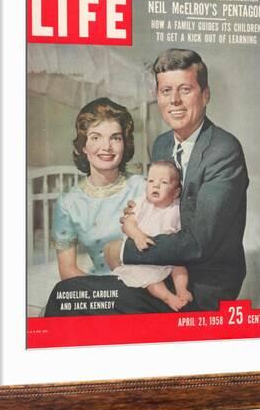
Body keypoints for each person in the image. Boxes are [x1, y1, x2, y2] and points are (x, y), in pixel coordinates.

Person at [45, 48, 249, 315]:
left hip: (200, 288)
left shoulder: (223, 150)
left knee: (66, 298)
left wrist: (124, 251)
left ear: (205, 94)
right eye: (166, 91)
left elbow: (200, 243)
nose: (174, 100)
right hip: (156, 273)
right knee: (67, 295)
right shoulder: (163, 144)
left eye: (185, 90)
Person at [51, 97, 145, 279]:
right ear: (83, 146)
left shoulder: (143, 188)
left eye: (115, 138)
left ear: (124, 144)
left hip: (147, 286)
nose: (106, 147)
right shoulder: (68, 204)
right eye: (96, 137)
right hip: (99, 288)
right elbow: (68, 271)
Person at [104, 160, 193, 311]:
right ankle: (168, 297)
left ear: (176, 192)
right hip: (143, 255)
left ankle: (181, 290)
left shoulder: (177, 208)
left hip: (168, 254)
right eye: (151, 181)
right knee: (152, 282)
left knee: (179, 268)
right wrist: (138, 236)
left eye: (163, 182)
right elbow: (128, 224)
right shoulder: (141, 204)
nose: (155, 185)